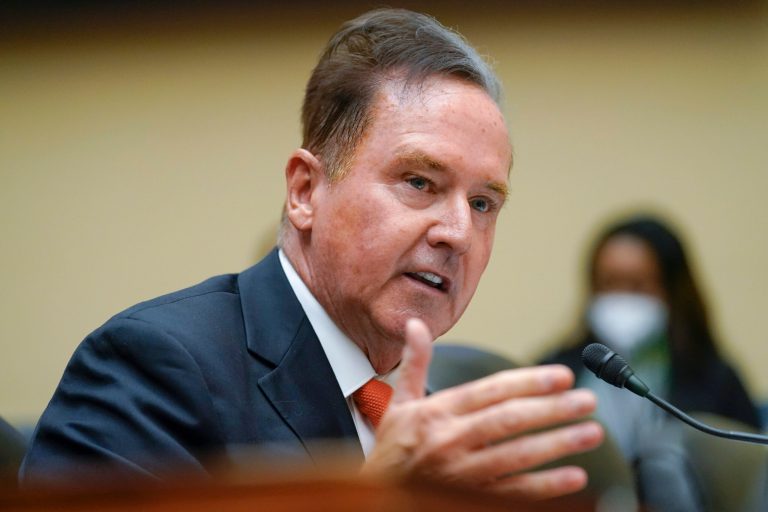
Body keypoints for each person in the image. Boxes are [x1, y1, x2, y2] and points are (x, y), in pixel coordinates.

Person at [20, 8, 604, 500]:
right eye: (420, 182)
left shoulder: (438, 418)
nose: (457, 232)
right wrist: (374, 500)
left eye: (483, 204)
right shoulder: (156, 366)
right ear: (304, 191)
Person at [540, 213, 760, 463]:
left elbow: (748, 482)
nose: (622, 298)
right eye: (609, 283)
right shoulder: (554, 371)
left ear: (673, 291)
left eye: (638, 285)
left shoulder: (716, 381)